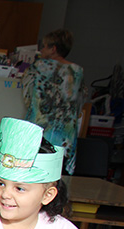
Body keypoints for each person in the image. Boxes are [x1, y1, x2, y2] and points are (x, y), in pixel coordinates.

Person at [23, 28, 85, 175]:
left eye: (44, 46)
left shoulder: (39, 67)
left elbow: (27, 95)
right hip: (65, 136)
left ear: (53, 49)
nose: (41, 50)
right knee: (57, 178)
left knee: (34, 177)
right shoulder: (78, 71)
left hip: (40, 133)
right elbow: (81, 101)